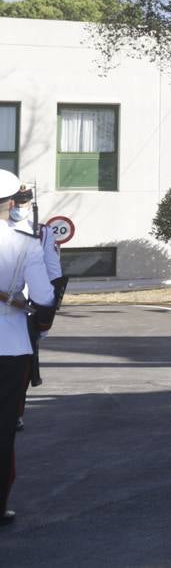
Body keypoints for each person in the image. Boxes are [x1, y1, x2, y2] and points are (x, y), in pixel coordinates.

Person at [0, 169, 55, 526]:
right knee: (4, 429)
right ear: (9, 202)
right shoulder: (25, 242)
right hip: (11, 345)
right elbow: (45, 296)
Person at [6, 186, 62, 430]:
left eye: (23, 202)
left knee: (25, 366)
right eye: (17, 201)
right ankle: (12, 413)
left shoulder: (41, 232)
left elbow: (53, 272)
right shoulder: (30, 236)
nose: (19, 206)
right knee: (18, 365)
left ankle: (16, 412)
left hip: (27, 308)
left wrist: (46, 314)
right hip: (19, 309)